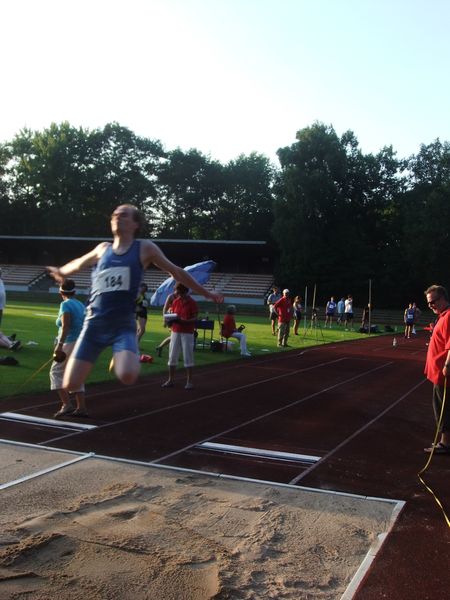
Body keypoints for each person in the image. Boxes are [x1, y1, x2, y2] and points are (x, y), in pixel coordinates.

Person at [47, 204, 223, 392]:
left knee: (127, 374)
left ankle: (123, 350)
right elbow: (78, 263)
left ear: (135, 224)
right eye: (115, 214)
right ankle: (120, 352)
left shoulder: (144, 248)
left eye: (124, 215)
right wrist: (61, 271)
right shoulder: (102, 249)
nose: (117, 217)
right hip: (94, 325)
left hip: (122, 325)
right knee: (71, 384)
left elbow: (177, 272)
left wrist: (207, 293)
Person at [50, 279, 88, 418]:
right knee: (75, 373)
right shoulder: (80, 304)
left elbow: (66, 326)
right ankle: (81, 407)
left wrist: (59, 345)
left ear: (61, 292)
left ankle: (66, 405)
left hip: (69, 342)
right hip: (80, 342)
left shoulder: (65, 304)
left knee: (56, 372)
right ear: (74, 291)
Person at [423, 285, 450, 454]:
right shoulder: (442, 316)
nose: (430, 305)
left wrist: (447, 365)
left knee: (443, 408)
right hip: (438, 372)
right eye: (428, 303)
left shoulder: (448, 317)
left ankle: (445, 443)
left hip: (443, 373)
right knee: (442, 406)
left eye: (433, 302)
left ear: (443, 298)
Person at [162, 283, 198, 389]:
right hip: (175, 331)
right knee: (172, 356)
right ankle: (170, 380)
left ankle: (189, 381)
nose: (177, 294)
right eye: (177, 292)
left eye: (179, 292)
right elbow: (172, 314)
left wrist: (183, 321)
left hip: (187, 332)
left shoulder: (192, 302)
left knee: (188, 356)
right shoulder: (176, 301)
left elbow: (195, 318)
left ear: (185, 291)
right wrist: (169, 320)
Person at [155, 290, 177, 357]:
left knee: (173, 336)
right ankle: (172, 354)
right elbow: (165, 308)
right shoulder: (171, 296)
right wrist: (164, 319)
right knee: (174, 336)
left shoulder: (181, 296)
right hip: (171, 317)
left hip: (176, 317)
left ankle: (160, 347)